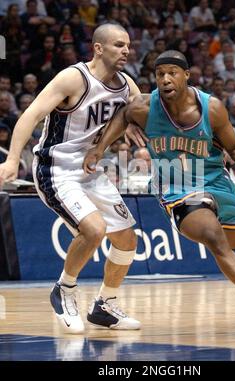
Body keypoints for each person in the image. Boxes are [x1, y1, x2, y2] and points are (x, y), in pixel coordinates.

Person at [83, 50, 235, 334]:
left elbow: (234, 148)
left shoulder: (212, 108)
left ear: (187, 75)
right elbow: (123, 114)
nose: (166, 79)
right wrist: (99, 149)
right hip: (175, 185)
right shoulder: (144, 108)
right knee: (213, 236)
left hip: (215, 179)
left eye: (172, 72)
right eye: (160, 74)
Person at [0, 23, 142, 334]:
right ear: (99, 48)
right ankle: (63, 290)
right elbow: (31, 114)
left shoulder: (126, 85)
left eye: (128, 45)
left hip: (91, 170)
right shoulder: (73, 78)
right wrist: (12, 158)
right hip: (55, 169)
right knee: (93, 230)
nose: (126, 51)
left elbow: (137, 111)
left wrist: (130, 125)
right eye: (119, 45)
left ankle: (105, 305)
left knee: (127, 239)